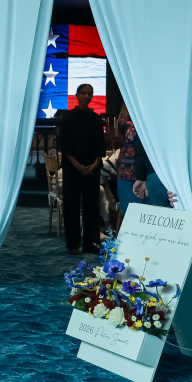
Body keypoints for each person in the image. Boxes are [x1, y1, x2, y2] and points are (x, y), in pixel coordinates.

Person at [58, 83, 105, 254]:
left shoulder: (96, 119)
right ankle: (73, 244)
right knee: (71, 206)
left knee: (91, 207)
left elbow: (101, 145)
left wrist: (94, 164)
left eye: (89, 93)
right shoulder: (67, 118)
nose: (86, 96)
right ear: (77, 95)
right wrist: (77, 165)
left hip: (92, 169)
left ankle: (90, 243)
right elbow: (64, 145)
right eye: (83, 93)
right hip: (72, 169)